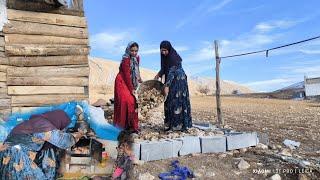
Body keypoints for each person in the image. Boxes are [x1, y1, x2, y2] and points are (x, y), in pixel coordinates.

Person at [0, 110, 84, 179]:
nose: (60, 130)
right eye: (61, 127)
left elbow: (46, 153)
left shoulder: (35, 124)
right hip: (16, 154)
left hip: (11, 155)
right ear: (58, 120)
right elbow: (63, 141)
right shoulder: (41, 123)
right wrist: (77, 136)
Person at [155, 40, 192, 132]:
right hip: (172, 79)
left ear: (169, 49)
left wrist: (167, 86)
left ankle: (179, 126)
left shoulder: (173, 57)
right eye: (162, 50)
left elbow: (171, 71)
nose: (163, 52)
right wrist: (158, 74)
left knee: (176, 101)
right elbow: (165, 67)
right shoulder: (166, 57)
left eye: (165, 50)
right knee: (169, 100)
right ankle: (171, 124)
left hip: (178, 81)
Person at [114, 41, 142, 133]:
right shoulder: (126, 59)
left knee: (133, 101)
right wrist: (132, 89)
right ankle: (121, 126)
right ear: (128, 49)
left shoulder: (136, 58)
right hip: (122, 81)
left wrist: (139, 79)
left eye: (136, 51)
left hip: (130, 82)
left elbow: (136, 70)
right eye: (132, 50)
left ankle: (132, 126)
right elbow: (126, 75)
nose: (134, 53)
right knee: (126, 101)